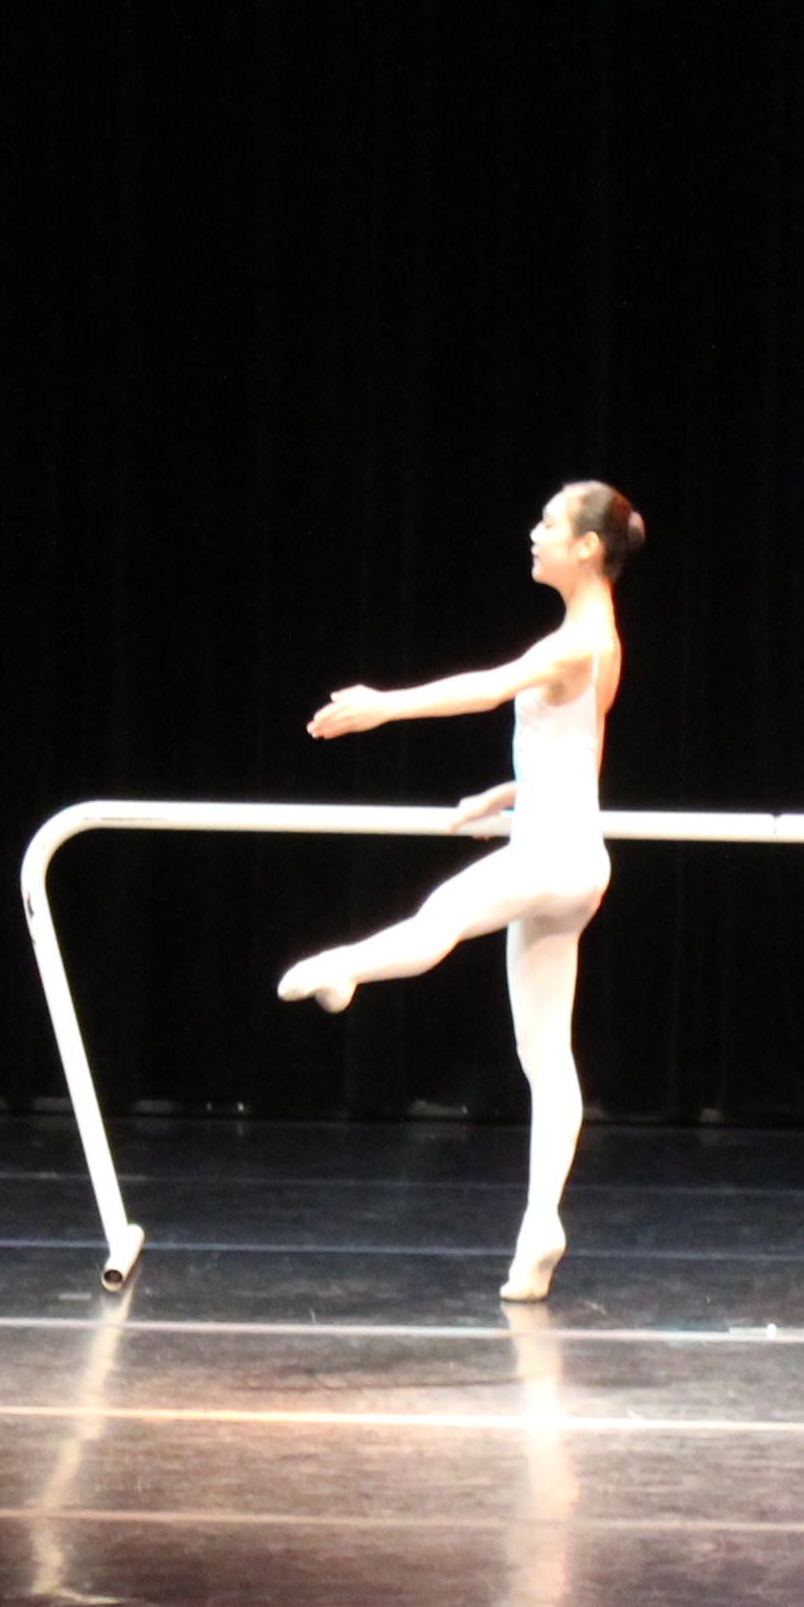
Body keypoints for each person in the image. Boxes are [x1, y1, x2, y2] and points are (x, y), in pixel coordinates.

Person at [279, 484, 643, 1301]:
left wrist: (384, 706)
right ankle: (541, 1223)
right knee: (545, 1056)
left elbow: (486, 687)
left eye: (550, 523)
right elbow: (573, 755)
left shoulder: (574, 643)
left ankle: (345, 969)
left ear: (588, 546)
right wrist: (505, 793)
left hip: (549, 855)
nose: (535, 532)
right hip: (573, 860)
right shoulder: (603, 641)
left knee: (438, 919)